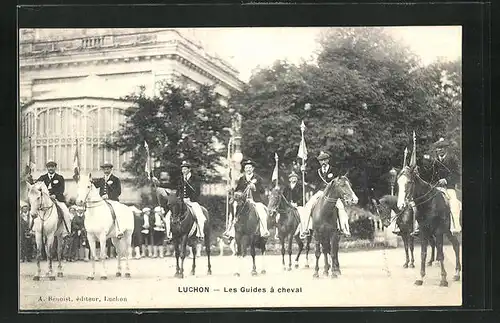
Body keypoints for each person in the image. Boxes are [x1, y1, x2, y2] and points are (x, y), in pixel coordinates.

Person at [301, 151, 351, 237]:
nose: (323, 162)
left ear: (328, 160)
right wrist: (303, 171)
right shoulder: (317, 172)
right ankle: (306, 229)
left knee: (341, 208)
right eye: (321, 160)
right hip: (320, 192)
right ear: (319, 162)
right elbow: (307, 179)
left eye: (325, 160)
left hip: (332, 194)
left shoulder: (334, 170)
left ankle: (344, 228)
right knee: (308, 206)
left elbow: (339, 182)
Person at [419, 137, 462, 235]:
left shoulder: (453, 158)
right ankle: (420, 227)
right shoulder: (434, 160)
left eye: (442, 148)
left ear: (445, 149)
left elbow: (457, 174)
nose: (440, 150)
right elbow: (429, 174)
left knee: (454, 203)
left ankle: (456, 226)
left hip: (449, 187)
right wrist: (422, 168)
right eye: (438, 148)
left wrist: (446, 180)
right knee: (423, 201)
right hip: (436, 187)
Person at [227, 159, 270, 238]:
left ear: (253, 169)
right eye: (246, 168)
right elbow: (238, 190)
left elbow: (262, 191)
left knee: (262, 213)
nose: (248, 169)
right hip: (243, 201)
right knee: (233, 212)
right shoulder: (241, 179)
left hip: (255, 201)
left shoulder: (258, 178)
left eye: (250, 168)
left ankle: (264, 231)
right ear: (244, 169)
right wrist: (234, 191)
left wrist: (255, 188)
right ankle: (231, 231)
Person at [35, 161, 72, 237]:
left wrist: (55, 195)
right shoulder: (42, 177)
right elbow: (36, 187)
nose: (50, 168)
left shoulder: (60, 178)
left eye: (52, 166)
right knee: (34, 211)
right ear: (47, 168)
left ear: (55, 168)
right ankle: (32, 229)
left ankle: (67, 231)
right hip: (44, 200)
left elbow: (62, 189)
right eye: (49, 167)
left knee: (66, 213)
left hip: (57, 199)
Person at [92, 161, 123, 239]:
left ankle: (119, 230)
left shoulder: (115, 179)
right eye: (104, 169)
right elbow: (93, 185)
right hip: (102, 201)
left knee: (117, 212)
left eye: (107, 169)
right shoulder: (101, 180)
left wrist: (108, 196)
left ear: (111, 169)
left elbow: (118, 191)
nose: (106, 171)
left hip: (112, 200)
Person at [176, 161, 206, 240]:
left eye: (185, 169)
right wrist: (179, 198)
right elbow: (178, 190)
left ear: (189, 169)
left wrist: (191, 199)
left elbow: (197, 191)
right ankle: (170, 234)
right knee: (170, 214)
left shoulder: (195, 179)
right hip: (181, 201)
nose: (183, 171)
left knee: (199, 215)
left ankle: (200, 234)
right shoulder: (180, 179)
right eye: (182, 169)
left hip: (192, 201)